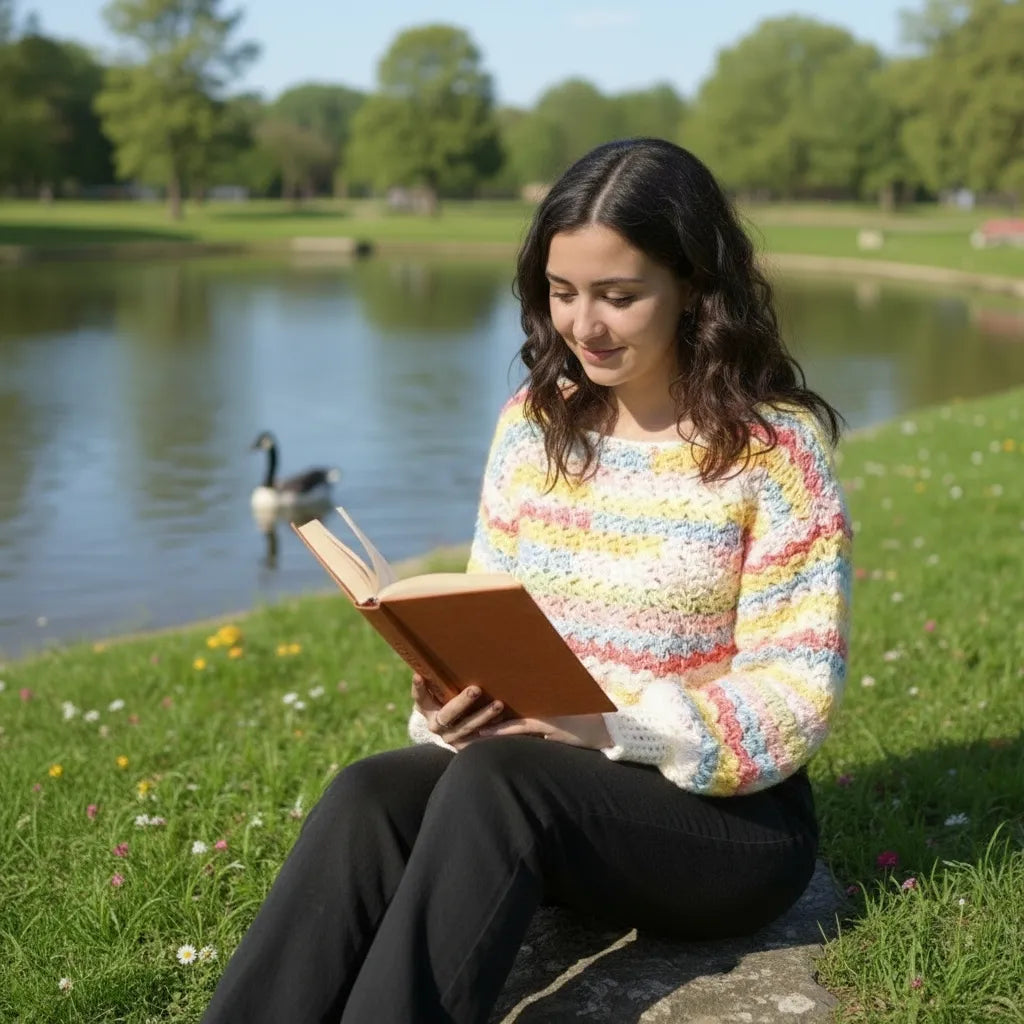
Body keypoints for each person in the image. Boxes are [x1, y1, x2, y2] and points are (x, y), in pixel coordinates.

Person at [201, 137, 852, 1024]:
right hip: (544, 790)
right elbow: (490, 615)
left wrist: (613, 728)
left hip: (725, 820)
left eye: (618, 296)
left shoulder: (773, 452)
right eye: (562, 291)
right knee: (369, 795)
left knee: (501, 783)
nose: (584, 326)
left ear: (695, 286)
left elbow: (795, 693)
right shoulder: (535, 427)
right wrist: (452, 701)